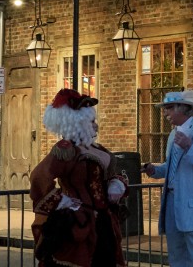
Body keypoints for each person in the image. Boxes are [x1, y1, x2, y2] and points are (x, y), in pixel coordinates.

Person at [29, 88, 128, 267]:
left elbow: (109, 175)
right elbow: (38, 176)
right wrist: (61, 199)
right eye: (91, 122)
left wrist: (116, 184)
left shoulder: (97, 149)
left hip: (104, 220)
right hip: (79, 221)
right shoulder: (66, 150)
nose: (96, 125)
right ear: (77, 123)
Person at [142, 89, 193, 267]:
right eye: (164, 108)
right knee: (176, 255)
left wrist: (189, 148)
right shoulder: (173, 134)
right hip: (172, 202)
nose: (165, 113)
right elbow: (173, 166)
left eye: (169, 108)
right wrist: (154, 170)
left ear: (183, 108)